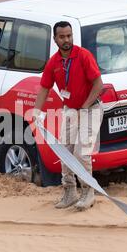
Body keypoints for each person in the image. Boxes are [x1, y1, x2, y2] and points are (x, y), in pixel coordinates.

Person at [32, 21, 104, 211]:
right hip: (71, 111)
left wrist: (84, 108)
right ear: (55, 39)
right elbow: (44, 88)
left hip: (90, 109)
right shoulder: (54, 62)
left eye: (69, 36)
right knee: (64, 152)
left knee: (82, 153)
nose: (67, 40)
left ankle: (88, 192)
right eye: (62, 37)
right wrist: (37, 112)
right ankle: (70, 192)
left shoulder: (83, 56)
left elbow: (99, 85)